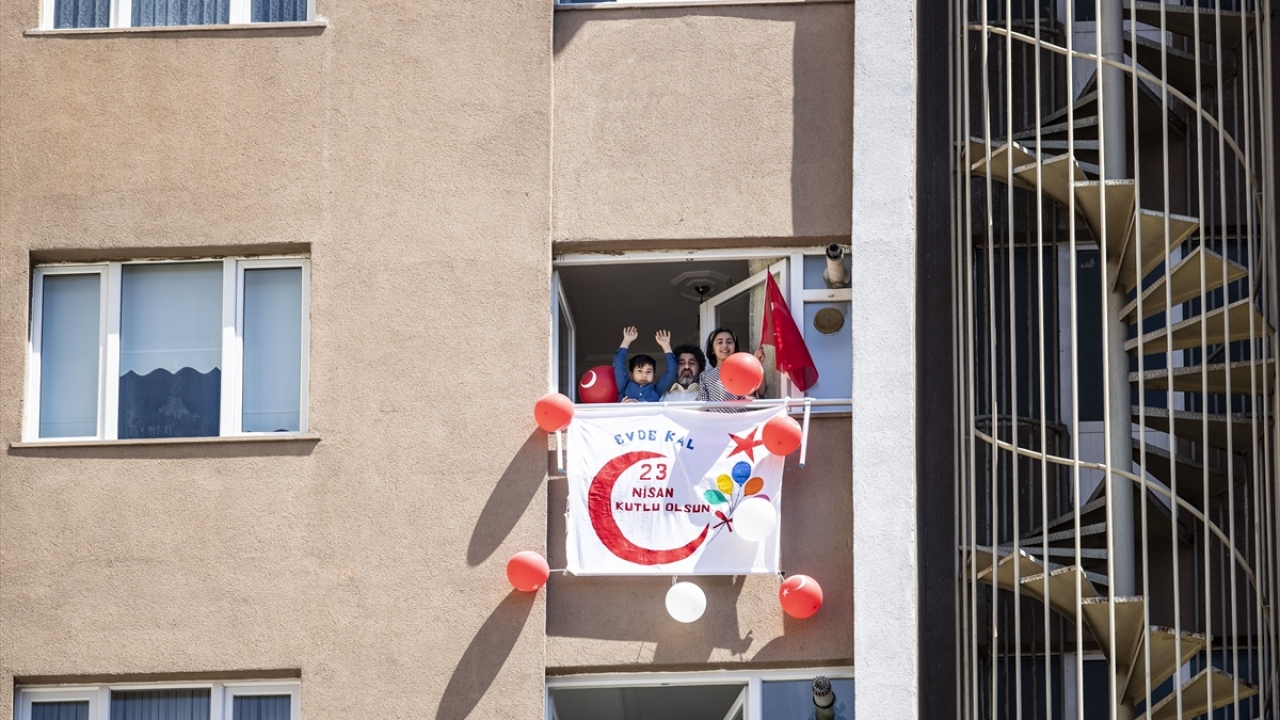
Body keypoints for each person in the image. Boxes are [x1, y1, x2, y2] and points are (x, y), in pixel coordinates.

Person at [698, 327, 767, 410]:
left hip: (742, 421)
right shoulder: (705, 376)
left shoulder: (744, 370)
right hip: (716, 421)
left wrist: (757, 365)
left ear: (734, 347)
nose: (725, 345)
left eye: (729, 342)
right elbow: (702, 407)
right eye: (720, 342)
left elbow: (761, 394)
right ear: (712, 349)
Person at [613, 326, 676, 403]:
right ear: (631, 374)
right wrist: (626, 341)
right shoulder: (624, 386)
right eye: (639, 371)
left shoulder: (656, 390)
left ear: (653, 376)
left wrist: (666, 347)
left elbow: (671, 371)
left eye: (648, 371)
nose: (644, 375)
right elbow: (618, 365)